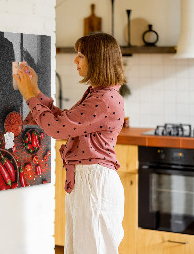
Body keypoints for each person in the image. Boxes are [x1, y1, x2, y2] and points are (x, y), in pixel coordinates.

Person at [14, 32, 126, 254]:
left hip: (94, 183)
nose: (75, 60)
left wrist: (29, 96)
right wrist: (35, 91)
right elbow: (64, 121)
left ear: (97, 60)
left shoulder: (103, 99)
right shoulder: (99, 94)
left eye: (81, 55)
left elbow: (57, 129)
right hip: (89, 181)